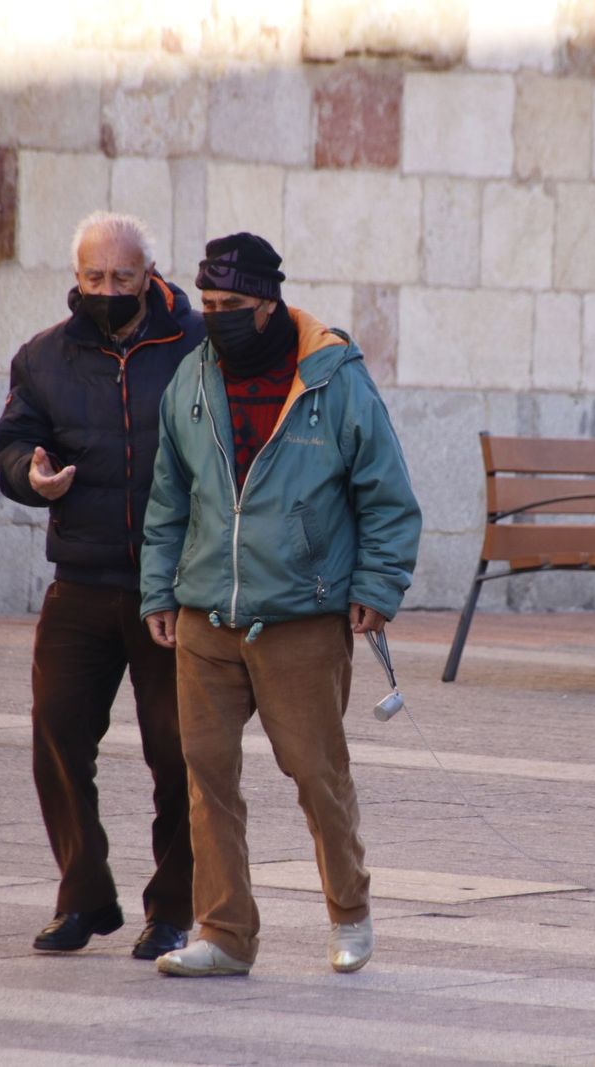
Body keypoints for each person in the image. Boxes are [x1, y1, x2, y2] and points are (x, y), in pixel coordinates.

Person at [139, 232, 421, 977]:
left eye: (233, 305)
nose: (218, 318)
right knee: (206, 776)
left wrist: (376, 587)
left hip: (301, 615)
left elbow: (388, 497)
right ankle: (226, 933)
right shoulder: (191, 379)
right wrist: (159, 590)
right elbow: (168, 497)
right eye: (207, 305)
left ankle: (350, 911)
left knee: (316, 773)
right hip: (206, 613)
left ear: (270, 304)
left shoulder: (334, 379)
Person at [0, 211, 203, 960]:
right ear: (76, 278)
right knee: (56, 732)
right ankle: (83, 895)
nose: (107, 291)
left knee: (179, 753)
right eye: (93, 278)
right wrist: (32, 476)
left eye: (121, 277)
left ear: (150, 275)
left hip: (172, 590)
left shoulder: (197, 347)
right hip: (80, 580)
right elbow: (13, 442)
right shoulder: (44, 357)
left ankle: (173, 909)